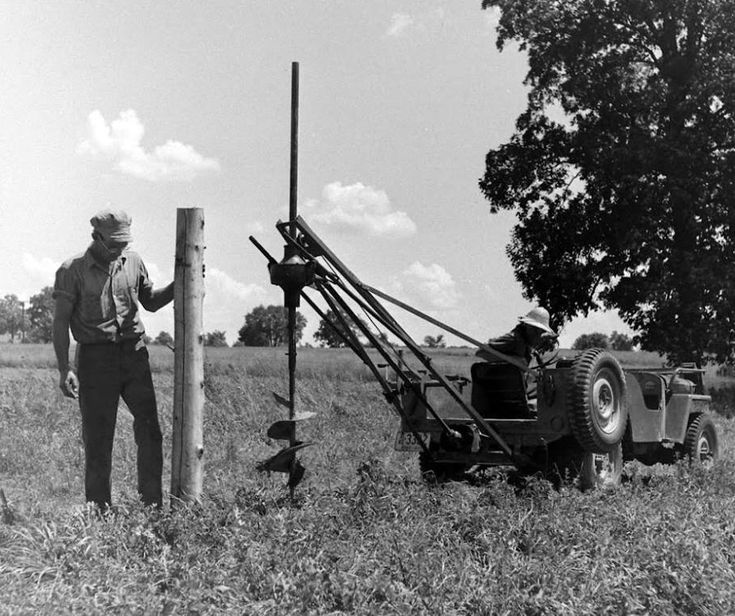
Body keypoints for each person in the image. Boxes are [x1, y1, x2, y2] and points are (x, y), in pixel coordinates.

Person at [52, 209, 174, 511]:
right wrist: (65, 368)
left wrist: (181, 282)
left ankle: (151, 509)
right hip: (95, 360)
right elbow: (60, 323)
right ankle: (100, 514)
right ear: (96, 237)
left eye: (124, 243)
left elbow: (152, 302)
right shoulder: (72, 270)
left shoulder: (133, 262)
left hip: (134, 355)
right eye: (114, 244)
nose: (120, 250)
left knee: (150, 432)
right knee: (98, 440)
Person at [478, 306, 558, 367]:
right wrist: (512, 360)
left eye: (540, 331)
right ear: (526, 325)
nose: (537, 334)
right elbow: (481, 351)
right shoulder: (513, 339)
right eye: (534, 329)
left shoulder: (528, 341)